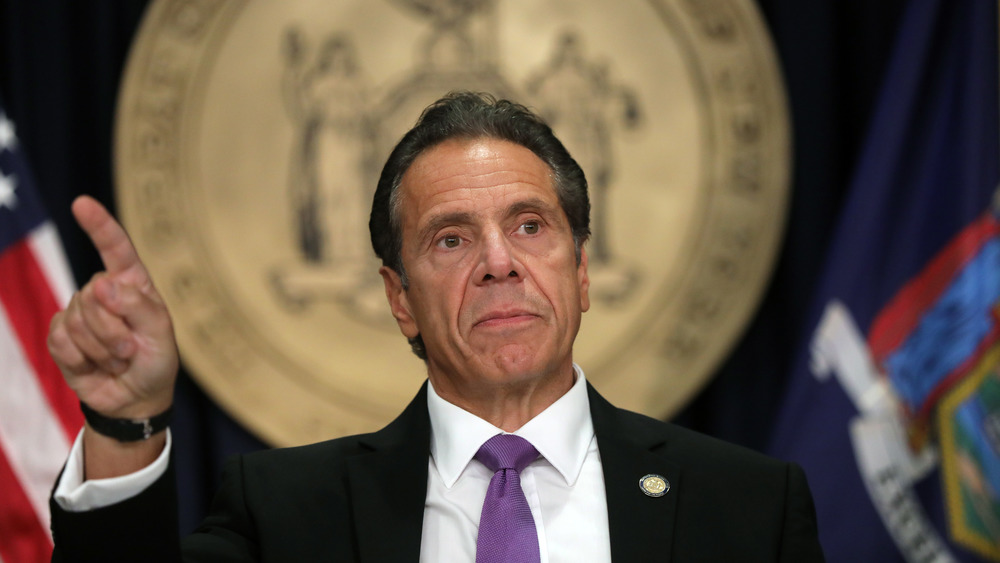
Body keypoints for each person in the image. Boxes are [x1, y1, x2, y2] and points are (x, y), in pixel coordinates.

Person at [47, 92, 824, 561]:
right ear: (400, 298)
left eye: (529, 226)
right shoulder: (286, 513)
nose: (498, 261)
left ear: (580, 271)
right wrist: (124, 421)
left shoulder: (746, 505)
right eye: (450, 239)